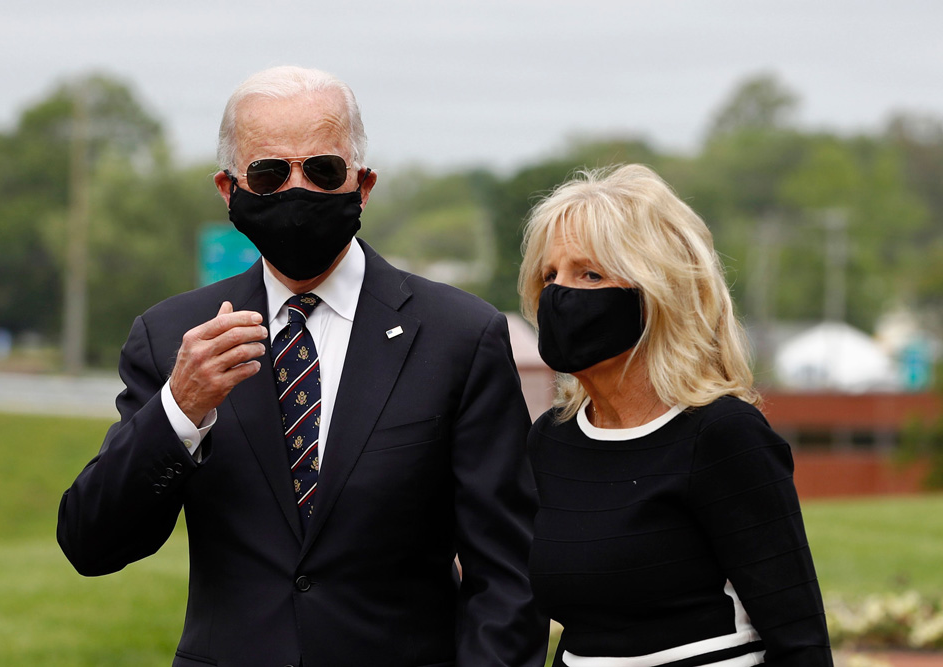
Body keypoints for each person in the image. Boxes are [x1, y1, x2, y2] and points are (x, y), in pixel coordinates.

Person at [57, 66, 546, 667]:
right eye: (267, 173)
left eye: (323, 170)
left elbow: (508, 574)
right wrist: (179, 410)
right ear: (228, 189)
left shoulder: (459, 336)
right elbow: (92, 542)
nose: (298, 190)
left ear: (363, 185)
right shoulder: (171, 338)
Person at [518, 164, 833, 666]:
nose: (559, 294)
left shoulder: (722, 435)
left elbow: (799, 640)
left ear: (653, 294)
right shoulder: (550, 441)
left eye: (589, 274)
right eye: (549, 276)